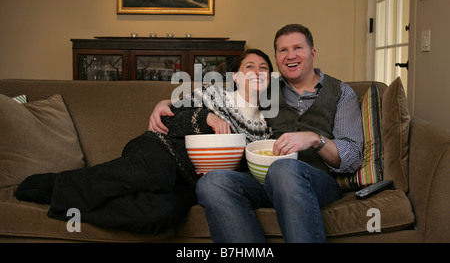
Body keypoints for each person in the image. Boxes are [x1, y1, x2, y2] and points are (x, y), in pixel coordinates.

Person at [15, 49, 273, 235]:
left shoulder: (266, 130)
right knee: (158, 174)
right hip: (160, 150)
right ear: (236, 77)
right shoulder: (212, 94)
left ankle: (64, 201)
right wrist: (207, 117)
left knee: (160, 214)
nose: (258, 71)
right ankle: (55, 186)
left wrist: (220, 169)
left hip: (190, 182)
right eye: (250, 66)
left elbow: (246, 176)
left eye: (264, 68)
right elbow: (167, 121)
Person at [149, 24, 364, 242]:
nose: (291, 55)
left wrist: (314, 139)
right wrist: (167, 103)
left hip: (318, 182)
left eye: (298, 48)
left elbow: (353, 157)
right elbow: (220, 96)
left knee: (284, 169)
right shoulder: (265, 87)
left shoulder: (341, 93)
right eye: (283, 50)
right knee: (212, 182)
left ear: (313, 53)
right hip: (263, 181)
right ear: (276, 58)